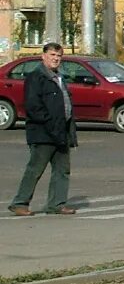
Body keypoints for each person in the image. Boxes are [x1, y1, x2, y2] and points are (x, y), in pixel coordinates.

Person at [9, 42, 78, 217]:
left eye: (58, 56)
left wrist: (68, 131)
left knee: (62, 170)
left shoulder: (60, 77)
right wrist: (50, 125)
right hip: (43, 133)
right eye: (52, 55)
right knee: (35, 169)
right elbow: (33, 107)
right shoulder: (36, 77)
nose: (56, 59)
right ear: (44, 56)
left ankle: (57, 203)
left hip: (61, 132)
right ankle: (20, 203)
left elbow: (65, 104)